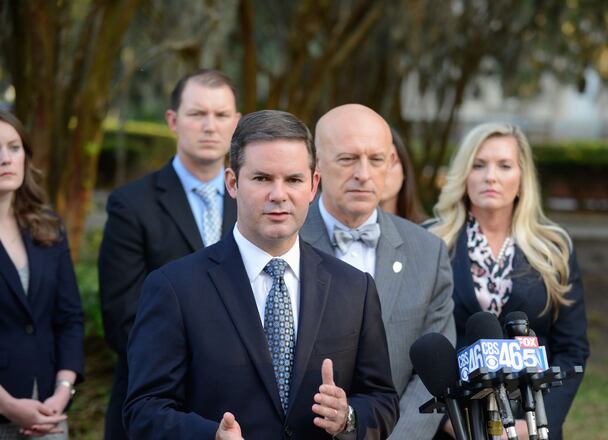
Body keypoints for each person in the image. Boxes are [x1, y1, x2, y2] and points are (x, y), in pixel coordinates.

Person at [124, 109, 399, 439]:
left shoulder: (355, 289)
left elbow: (382, 399)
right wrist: (209, 436)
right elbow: (144, 410)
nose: (279, 195)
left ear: (313, 186)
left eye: (293, 180)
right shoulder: (175, 288)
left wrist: (348, 417)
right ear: (232, 183)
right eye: (262, 178)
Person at [98, 69, 240, 439]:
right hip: (159, 406)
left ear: (236, 122)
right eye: (198, 114)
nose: (210, 126)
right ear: (173, 121)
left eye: (222, 115)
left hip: (241, 410)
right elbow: (122, 318)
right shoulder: (131, 205)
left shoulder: (256, 203)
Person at [301, 104, 454, 439]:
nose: (363, 173)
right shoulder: (285, 241)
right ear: (317, 164)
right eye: (347, 159)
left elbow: (433, 376)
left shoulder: (428, 253)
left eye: (376, 159)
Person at [429, 122, 589, 439]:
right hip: (455, 427)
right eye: (478, 165)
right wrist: (445, 420)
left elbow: (572, 349)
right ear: (463, 175)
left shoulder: (553, 248)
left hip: (532, 424)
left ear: (522, 178)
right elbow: (410, 346)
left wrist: (538, 422)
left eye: (504, 165)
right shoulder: (430, 242)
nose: (491, 176)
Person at [0, 111, 84, 439]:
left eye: (14, 147)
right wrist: (8, 405)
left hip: (49, 412)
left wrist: (63, 391)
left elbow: (70, 318)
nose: (5, 159)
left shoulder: (47, 226)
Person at [379, 127, 427, 223]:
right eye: (376, 160)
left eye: (392, 162)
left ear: (404, 170)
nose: (383, 170)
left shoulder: (431, 231)